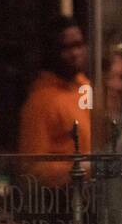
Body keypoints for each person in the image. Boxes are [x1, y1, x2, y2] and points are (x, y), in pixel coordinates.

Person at [17, 15, 91, 185]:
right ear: (52, 51)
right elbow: (33, 169)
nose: (75, 53)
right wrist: (81, 169)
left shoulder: (86, 87)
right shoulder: (40, 101)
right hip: (62, 201)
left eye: (79, 45)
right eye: (66, 48)